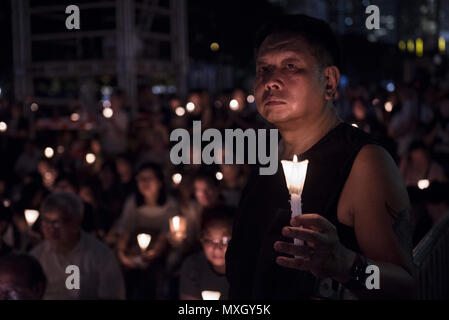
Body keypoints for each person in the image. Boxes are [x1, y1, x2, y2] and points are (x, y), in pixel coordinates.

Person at [225, 15, 416, 299]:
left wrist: (347, 264)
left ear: (329, 80)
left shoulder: (363, 163)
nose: (271, 81)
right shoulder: (267, 154)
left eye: (290, 66)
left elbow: (404, 285)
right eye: (263, 68)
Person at [30, 192, 125, 300]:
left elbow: (113, 294)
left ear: (75, 223)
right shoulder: (37, 257)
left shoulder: (100, 256)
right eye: (46, 222)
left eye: (58, 222)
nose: (51, 229)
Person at [115, 162, 178, 299]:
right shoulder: (133, 202)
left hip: (160, 252)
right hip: (134, 248)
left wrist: (152, 253)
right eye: (141, 179)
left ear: (160, 182)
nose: (144, 183)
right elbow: (125, 229)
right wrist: (122, 254)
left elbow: (166, 234)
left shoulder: (170, 204)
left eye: (149, 178)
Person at [180, 206, 234, 300]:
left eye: (225, 240)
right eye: (209, 240)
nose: (217, 249)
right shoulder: (193, 266)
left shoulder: (247, 271)